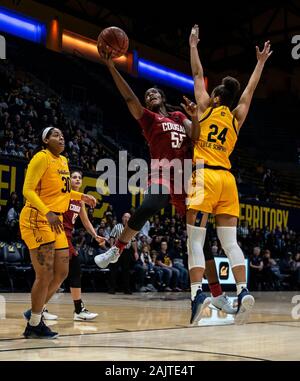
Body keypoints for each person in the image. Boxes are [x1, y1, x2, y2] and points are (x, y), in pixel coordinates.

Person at [94, 52, 235, 316]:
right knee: (152, 203)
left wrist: (192, 116)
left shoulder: (179, 116)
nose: (149, 96)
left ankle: (217, 295)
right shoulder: (149, 118)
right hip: (162, 172)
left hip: (187, 177)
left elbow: (196, 136)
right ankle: (117, 248)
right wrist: (111, 66)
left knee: (201, 241)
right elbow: (129, 98)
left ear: (163, 97)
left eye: (153, 93)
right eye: (147, 94)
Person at [185, 25, 272, 324]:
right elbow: (249, 92)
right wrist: (260, 63)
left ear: (217, 98)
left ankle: (198, 293)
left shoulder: (208, 108)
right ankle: (243, 289)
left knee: (194, 240)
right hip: (227, 181)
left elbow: (197, 75)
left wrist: (193, 46)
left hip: (204, 176)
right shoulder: (236, 117)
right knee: (230, 243)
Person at [20, 127, 96, 339]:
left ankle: (33, 310)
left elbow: (61, 192)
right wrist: (47, 212)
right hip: (37, 218)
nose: (61, 137)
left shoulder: (63, 161)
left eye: (62, 134)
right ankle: (34, 324)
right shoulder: (40, 158)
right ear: (45, 140)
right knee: (44, 274)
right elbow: (27, 190)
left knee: (62, 272)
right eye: (55, 134)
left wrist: (80, 196)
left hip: (55, 222)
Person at [45, 170, 105, 321]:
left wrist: (95, 235)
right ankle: (78, 310)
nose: (77, 179)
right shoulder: (64, 194)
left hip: (67, 238)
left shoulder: (80, 200)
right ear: (68, 180)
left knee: (59, 275)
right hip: (58, 236)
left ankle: (40, 308)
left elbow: (85, 221)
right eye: (74, 177)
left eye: (79, 177)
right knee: (75, 268)